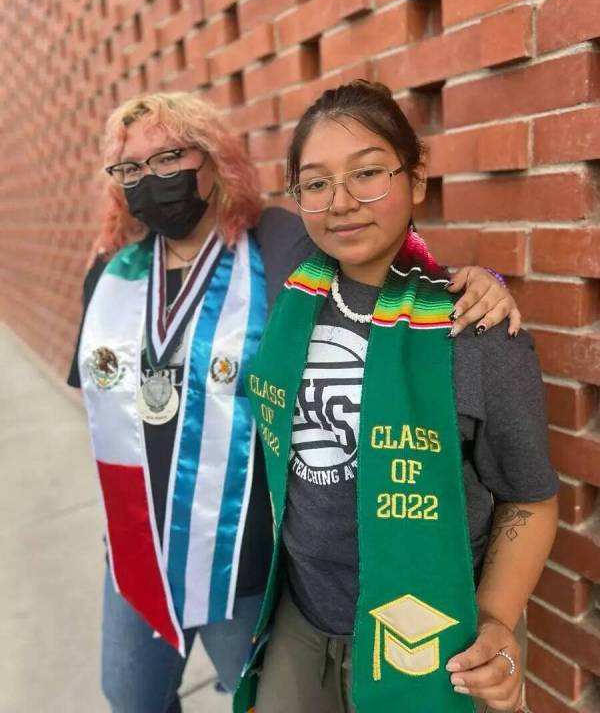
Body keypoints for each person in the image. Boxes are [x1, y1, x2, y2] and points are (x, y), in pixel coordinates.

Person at [67, 90, 522, 713]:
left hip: (237, 547)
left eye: (169, 158)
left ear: (214, 159)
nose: (152, 179)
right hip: (138, 543)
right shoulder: (110, 275)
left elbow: (376, 262)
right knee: (131, 697)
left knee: (249, 693)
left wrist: (480, 282)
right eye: (131, 168)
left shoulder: (277, 246)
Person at [237, 81, 559, 713]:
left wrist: (495, 624)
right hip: (301, 619)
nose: (343, 202)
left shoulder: (474, 332)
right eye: (316, 183)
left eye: (369, 174)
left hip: (431, 629)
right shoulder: (291, 294)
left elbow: (530, 498)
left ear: (416, 178)